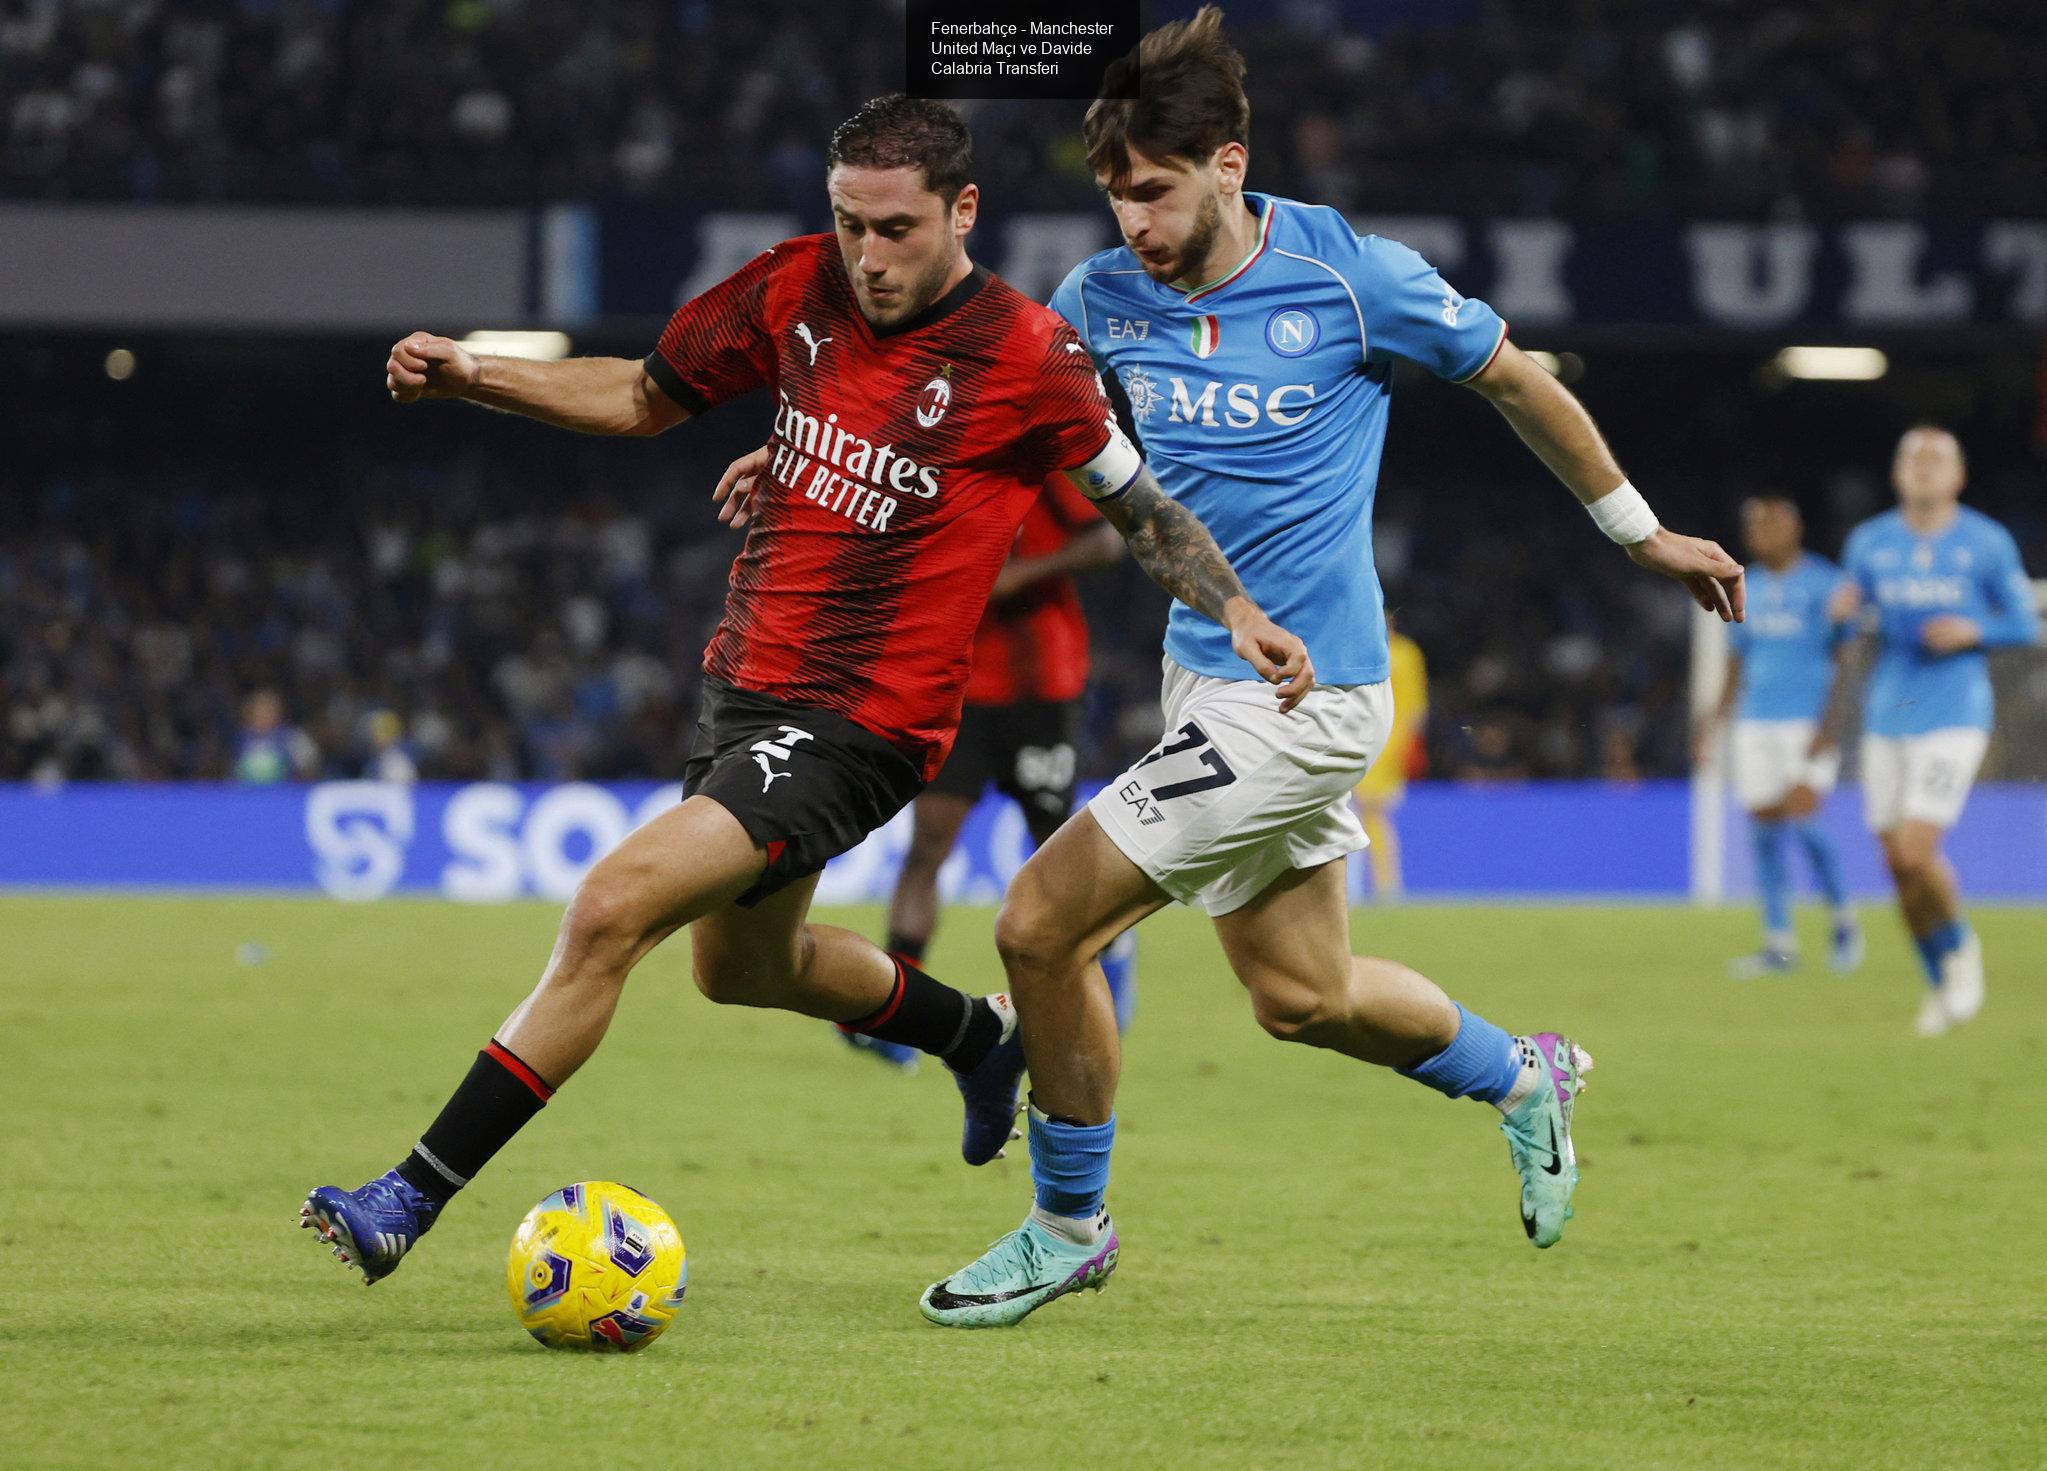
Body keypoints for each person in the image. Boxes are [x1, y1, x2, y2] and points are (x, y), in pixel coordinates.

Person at [299, 94, 1311, 1285]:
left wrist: (1234, 607)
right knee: (740, 970)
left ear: (961, 210)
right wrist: (477, 375)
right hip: (744, 687)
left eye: (894, 229)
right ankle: (977, 1036)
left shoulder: (1029, 355)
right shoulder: (792, 287)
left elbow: (1138, 509)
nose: (868, 258)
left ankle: (406, 1196)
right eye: (848, 224)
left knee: (611, 905)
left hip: (862, 723)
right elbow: (639, 394)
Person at [918, 8, 1746, 1328]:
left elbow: (1515, 380)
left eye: (1154, 189)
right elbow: (1032, 444)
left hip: (1313, 698)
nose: (1131, 220)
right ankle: (1522, 1074)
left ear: (1227, 168)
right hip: (1207, 676)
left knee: (1033, 922)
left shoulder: (1351, 279)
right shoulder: (1098, 299)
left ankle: (1065, 1222)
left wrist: (1634, 531)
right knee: (1300, 997)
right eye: (1115, 193)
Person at [1831, 425, 2039, 1036]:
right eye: (1912, 458)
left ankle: (1963, 950)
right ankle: (1936, 979)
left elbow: (2024, 623)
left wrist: (1976, 630)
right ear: (1896, 475)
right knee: (1896, 866)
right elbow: (1850, 623)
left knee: (1918, 850)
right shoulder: (1869, 543)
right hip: (1888, 711)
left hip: (1955, 713)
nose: (1923, 466)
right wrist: (1840, 617)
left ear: (1958, 476)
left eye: (1936, 458)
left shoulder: (1986, 542)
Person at [1694, 497, 1861, 978]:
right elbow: (1735, 663)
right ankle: (1778, 942)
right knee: (1765, 832)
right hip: (1756, 723)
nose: (1761, 534)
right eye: (1753, 526)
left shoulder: (1826, 584)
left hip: (1806, 724)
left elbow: (1846, 663)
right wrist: (1712, 723)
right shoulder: (1748, 586)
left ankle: (1844, 921)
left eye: (1771, 524)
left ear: (1796, 528)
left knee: (1806, 822)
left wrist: (1830, 728)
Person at [1351, 609, 1426, 898]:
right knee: (1357, 813)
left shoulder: (1405, 653)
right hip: (1361, 736)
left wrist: (1408, 745)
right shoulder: (1362, 649)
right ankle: (1364, 886)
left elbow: (1417, 704)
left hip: (1389, 743)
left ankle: (1385, 885)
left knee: (1373, 811)